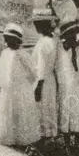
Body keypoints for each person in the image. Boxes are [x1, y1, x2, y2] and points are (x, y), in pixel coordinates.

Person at [0, 24, 41, 147]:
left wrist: (27, 84)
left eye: (10, 40)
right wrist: (3, 83)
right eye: (6, 39)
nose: (7, 42)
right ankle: (9, 137)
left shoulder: (23, 55)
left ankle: (23, 139)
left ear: (17, 41)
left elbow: (33, 71)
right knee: (8, 111)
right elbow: (2, 69)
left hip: (21, 88)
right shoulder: (5, 53)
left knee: (21, 111)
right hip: (8, 89)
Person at [55, 21, 79, 145]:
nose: (73, 38)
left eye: (75, 35)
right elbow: (56, 67)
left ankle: (77, 142)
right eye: (70, 36)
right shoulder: (59, 49)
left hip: (78, 86)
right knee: (65, 112)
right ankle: (67, 142)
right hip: (65, 86)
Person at [31, 9, 60, 140]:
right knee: (49, 106)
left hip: (42, 79)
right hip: (50, 79)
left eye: (37, 24)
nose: (35, 26)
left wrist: (38, 86)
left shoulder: (44, 43)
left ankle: (43, 136)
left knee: (42, 106)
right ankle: (49, 134)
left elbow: (42, 66)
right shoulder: (53, 39)